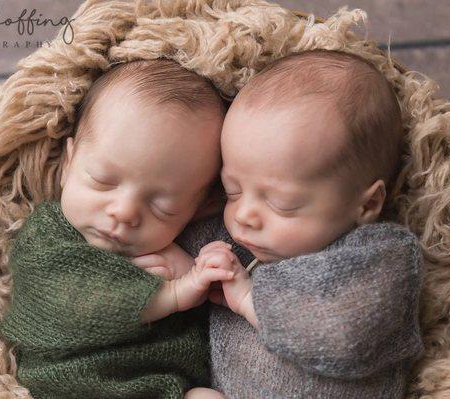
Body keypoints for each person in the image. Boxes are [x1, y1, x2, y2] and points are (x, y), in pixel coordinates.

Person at [176, 49, 425, 398]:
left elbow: (345, 334)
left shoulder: (384, 256)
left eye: (281, 203)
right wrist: (182, 271)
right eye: (233, 190)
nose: (245, 214)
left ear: (367, 204)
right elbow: (175, 246)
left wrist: (250, 299)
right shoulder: (232, 240)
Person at [0, 59, 232, 399]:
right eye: (103, 181)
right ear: (68, 163)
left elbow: (208, 332)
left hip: (164, 384)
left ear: (196, 208)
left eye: (162, 206)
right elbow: (67, 303)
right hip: (75, 383)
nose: (124, 212)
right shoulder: (47, 234)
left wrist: (200, 273)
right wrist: (174, 294)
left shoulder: (177, 249)